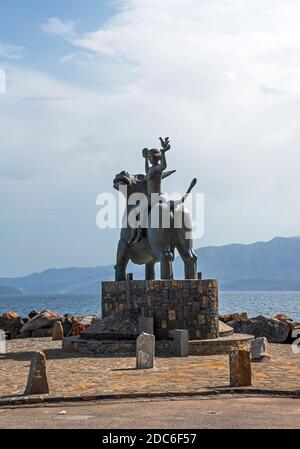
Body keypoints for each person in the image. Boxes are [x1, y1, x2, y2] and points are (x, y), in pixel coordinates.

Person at [128, 138, 171, 245]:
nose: (149, 160)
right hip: (152, 197)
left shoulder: (157, 168)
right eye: (149, 158)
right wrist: (145, 159)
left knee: (134, 212)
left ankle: (137, 235)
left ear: (155, 158)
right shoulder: (152, 169)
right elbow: (147, 172)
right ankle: (138, 233)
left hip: (155, 197)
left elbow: (164, 166)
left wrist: (163, 153)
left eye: (150, 158)